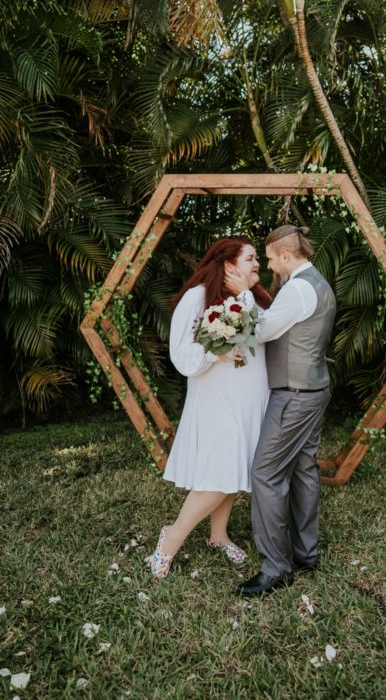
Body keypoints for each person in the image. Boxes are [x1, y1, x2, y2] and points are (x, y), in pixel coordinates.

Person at [148, 237, 274, 578]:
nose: (257, 264)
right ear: (229, 264)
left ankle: (218, 536)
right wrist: (212, 353)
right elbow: (181, 354)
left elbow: (265, 335)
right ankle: (171, 538)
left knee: (233, 471)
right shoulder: (197, 297)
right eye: (250, 258)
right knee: (218, 474)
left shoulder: (257, 300)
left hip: (250, 399)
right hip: (217, 400)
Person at [227, 225, 337, 597]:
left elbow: (261, 331)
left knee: (265, 473)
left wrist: (243, 296)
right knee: (304, 468)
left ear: (287, 256)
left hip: (294, 395)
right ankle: (305, 553)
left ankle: (276, 566)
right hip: (314, 388)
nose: (269, 264)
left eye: (271, 258)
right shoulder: (317, 283)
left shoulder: (297, 289)